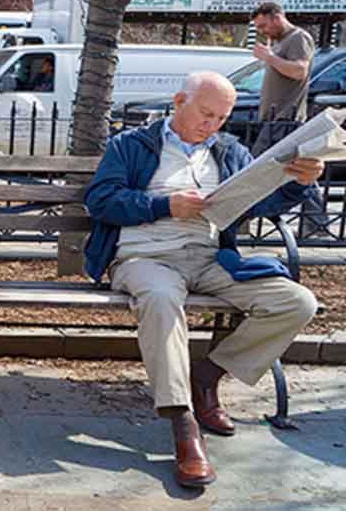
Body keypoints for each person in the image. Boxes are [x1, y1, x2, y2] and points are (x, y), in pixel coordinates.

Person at [84, 71, 322, 488]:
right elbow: (101, 200)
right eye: (205, 114)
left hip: (211, 258)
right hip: (146, 256)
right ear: (179, 101)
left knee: (297, 302)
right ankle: (183, 423)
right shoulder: (132, 145)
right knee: (160, 299)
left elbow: (258, 204)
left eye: (221, 118)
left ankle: (207, 376)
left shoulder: (229, 150)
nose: (212, 125)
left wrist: (299, 183)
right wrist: (165, 205)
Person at [250, 1, 328, 237]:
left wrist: (269, 57)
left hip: (287, 118)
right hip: (275, 119)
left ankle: (316, 224)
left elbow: (299, 71)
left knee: (254, 169)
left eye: (264, 25)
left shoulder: (298, 38)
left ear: (277, 17)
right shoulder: (281, 41)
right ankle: (317, 223)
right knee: (294, 170)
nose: (262, 31)